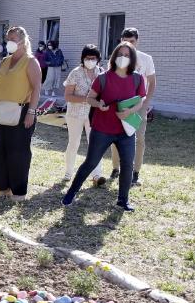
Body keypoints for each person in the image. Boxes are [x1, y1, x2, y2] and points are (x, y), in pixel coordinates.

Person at [62, 41, 147, 212]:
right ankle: (71, 192)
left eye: (127, 55)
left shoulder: (137, 78)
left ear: (132, 58)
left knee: (127, 165)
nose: (123, 58)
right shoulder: (103, 78)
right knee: (91, 162)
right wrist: (99, 104)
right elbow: (90, 98)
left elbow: (141, 99)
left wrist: (130, 111)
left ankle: (123, 200)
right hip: (102, 129)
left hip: (125, 131)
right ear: (114, 57)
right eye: (120, 54)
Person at [0, 27, 41, 201]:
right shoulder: (4, 61)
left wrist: (31, 112)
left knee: (18, 151)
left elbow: (37, 88)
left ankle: (18, 191)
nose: (9, 42)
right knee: (0, 150)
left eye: (13, 39)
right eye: (8, 39)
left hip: (22, 111)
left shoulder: (31, 61)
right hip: (2, 110)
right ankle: (2, 187)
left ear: (23, 41)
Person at [110, 27, 156, 185]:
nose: (129, 44)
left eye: (132, 41)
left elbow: (152, 82)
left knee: (138, 138)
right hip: (119, 104)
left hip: (138, 105)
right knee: (115, 136)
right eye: (125, 41)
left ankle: (135, 172)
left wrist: (146, 103)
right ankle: (116, 168)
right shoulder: (117, 57)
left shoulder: (146, 59)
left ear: (137, 41)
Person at [63, 45, 105, 183]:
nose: (90, 61)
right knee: (74, 143)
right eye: (88, 58)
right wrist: (87, 99)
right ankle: (68, 172)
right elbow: (68, 96)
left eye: (93, 58)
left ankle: (97, 174)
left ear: (98, 59)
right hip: (75, 113)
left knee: (95, 144)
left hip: (94, 114)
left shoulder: (101, 73)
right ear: (83, 58)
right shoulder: (75, 73)